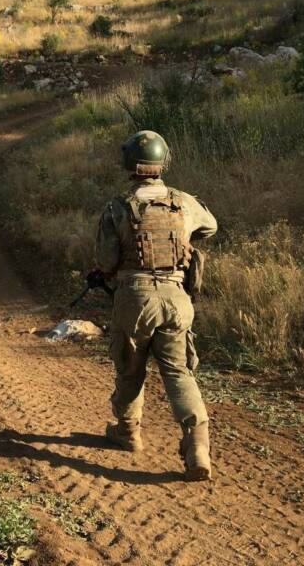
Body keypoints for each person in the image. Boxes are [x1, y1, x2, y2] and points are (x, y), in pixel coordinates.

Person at [94, 130, 218, 481]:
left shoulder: (118, 207)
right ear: (164, 161)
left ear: (128, 164)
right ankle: (197, 447)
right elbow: (211, 226)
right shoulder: (183, 202)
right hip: (177, 299)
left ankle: (128, 431)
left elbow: (105, 261)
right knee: (179, 371)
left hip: (134, 298)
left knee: (131, 369)